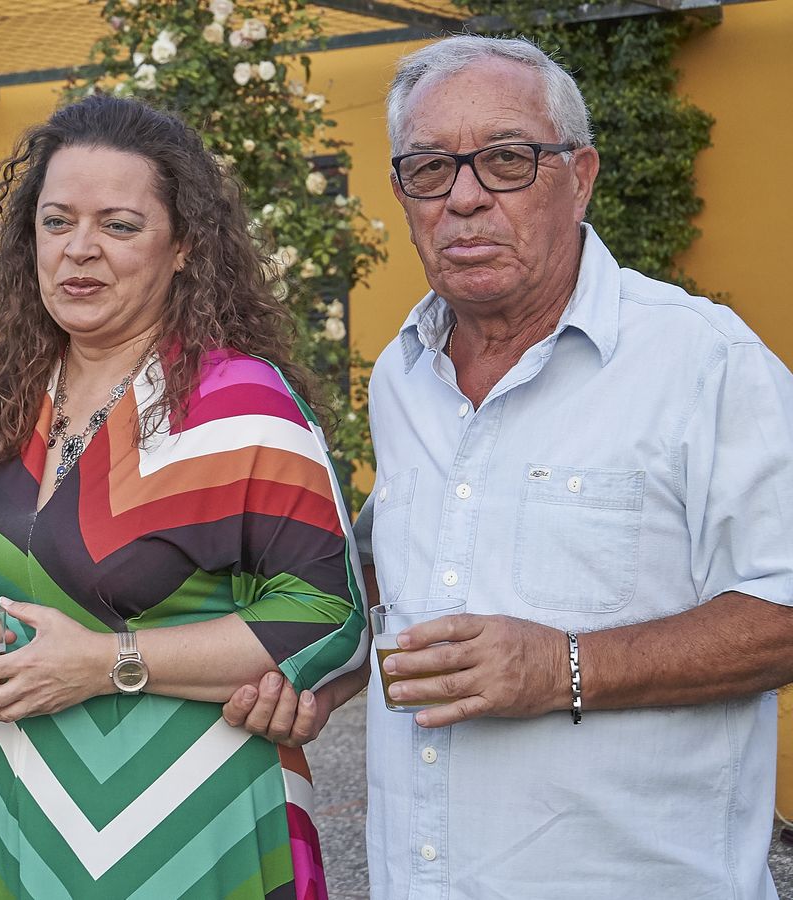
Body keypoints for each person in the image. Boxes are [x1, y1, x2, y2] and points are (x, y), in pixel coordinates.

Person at [230, 34, 793, 898]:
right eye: (430, 169)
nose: (463, 198)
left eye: (506, 160)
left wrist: (565, 667)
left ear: (582, 176)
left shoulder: (703, 362)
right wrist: (325, 674)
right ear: (402, 193)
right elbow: (394, 576)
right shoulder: (402, 374)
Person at [0, 94, 367, 899]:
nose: (80, 251)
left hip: (201, 830)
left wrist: (106, 663)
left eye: (118, 225)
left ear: (183, 245)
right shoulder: (6, 400)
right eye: (56, 223)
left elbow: (333, 617)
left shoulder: (242, 407)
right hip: (17, 829)